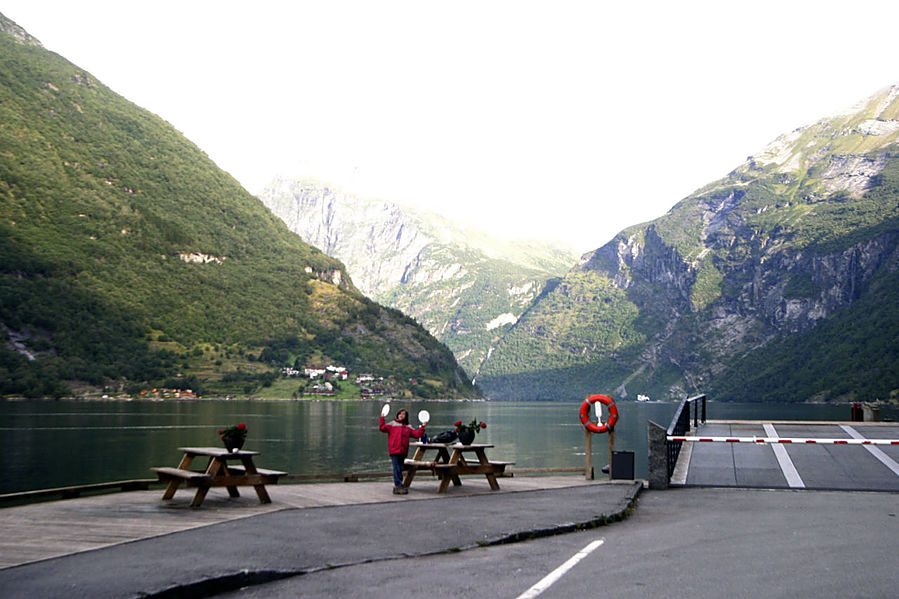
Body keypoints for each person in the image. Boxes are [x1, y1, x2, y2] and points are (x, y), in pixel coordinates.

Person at [379, 405, 426, 494]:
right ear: (397, 415)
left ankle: (399, 484)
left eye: (403, 414)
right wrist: (382, 417)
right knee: (396, 467)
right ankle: (398, 484)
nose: (401, 415)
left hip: (403, 450)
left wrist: (422, 427)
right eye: (400, 413)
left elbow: (416, 434)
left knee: (400, 468)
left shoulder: (408, 427)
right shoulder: (392, 424)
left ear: (406, 416)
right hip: (394, 450)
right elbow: (382, 428)